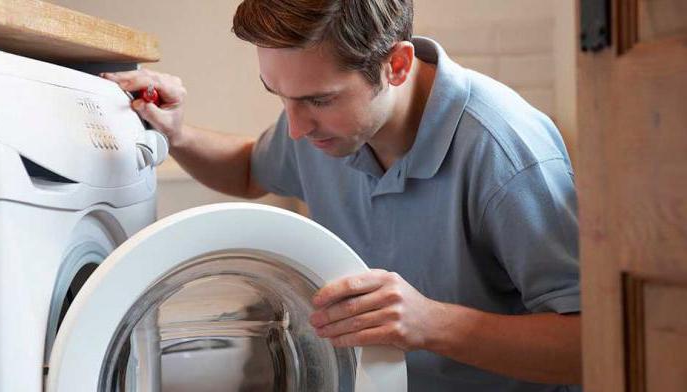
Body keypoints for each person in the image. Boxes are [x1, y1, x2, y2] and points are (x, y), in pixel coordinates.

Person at [102, 0, 581, 390]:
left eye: (318, 100)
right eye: (280, 96)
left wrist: (431, 323)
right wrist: (178, 134)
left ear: (395, 65)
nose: (294, 128)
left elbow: (591, 345)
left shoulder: (505, 151)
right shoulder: (326, 130)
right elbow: (251, 170)